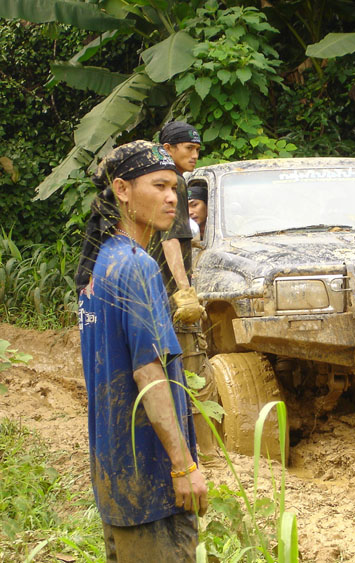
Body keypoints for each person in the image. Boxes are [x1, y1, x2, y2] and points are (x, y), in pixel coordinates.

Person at [76, 140, 208, 561]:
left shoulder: (101, 264)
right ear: (122, 190)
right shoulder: (137, 266)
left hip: (116, 475)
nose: (172, 198)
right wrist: (183, 466)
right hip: (151, 478)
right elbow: (149, 375)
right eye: (159, 186)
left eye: (174, 188)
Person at [152, 121, 217, 456]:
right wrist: (185, 293)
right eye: (189, 148)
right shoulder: (173, 182)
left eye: (197, 149)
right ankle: (209, 454)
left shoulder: (149, 182)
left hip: (151, 295)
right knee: (197, 374)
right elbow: (171, 241)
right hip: (172, 297)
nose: (195, 155)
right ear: (168, 149)